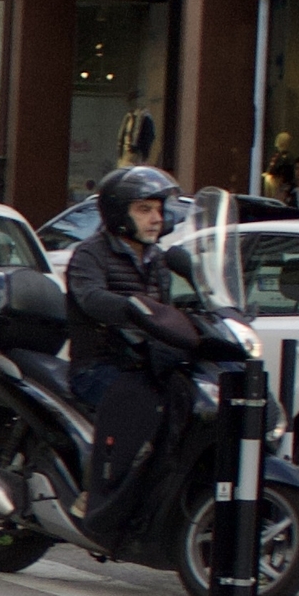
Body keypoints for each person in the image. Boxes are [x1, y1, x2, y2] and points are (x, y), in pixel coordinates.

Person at [65, 163, 186, 542]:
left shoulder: (160, 261)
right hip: (100, 365)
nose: (156, 218)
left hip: (147, 362)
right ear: (119, 213)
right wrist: (131, 307)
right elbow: (90, 297)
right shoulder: (90, 255)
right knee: (140, 407)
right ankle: (99, 493)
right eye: (144, 210)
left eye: (159, 210)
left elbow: (177, 306)